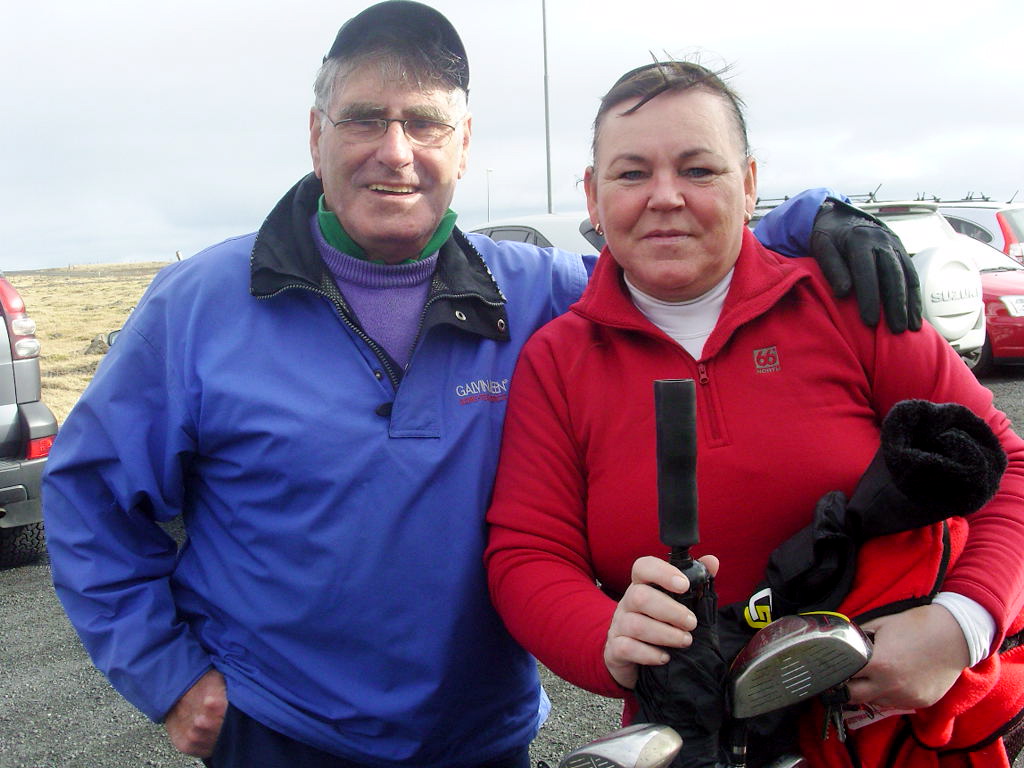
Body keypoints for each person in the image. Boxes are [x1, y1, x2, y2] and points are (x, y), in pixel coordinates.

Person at [42, 4, 918, 768]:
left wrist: (815, 216)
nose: (395, 151)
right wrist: (164, 674)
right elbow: (87, 499)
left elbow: (680, 249)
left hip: (482, 741)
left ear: (464, 144)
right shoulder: (199, 306)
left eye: (425, 123)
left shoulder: (541, 294)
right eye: (363, 119)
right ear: (315, 135)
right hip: (278, 733)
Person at [483, 60, 1024, 767]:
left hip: (896, 735)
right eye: (632, 173)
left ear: (748, 184)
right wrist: (607, 638)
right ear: (592, 194)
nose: (665, 197)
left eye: (698, 170)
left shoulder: (847, 304)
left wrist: (961, 625)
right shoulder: (558, 360)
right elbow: (527, 553)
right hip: (694, 737)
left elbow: (1006, 467)